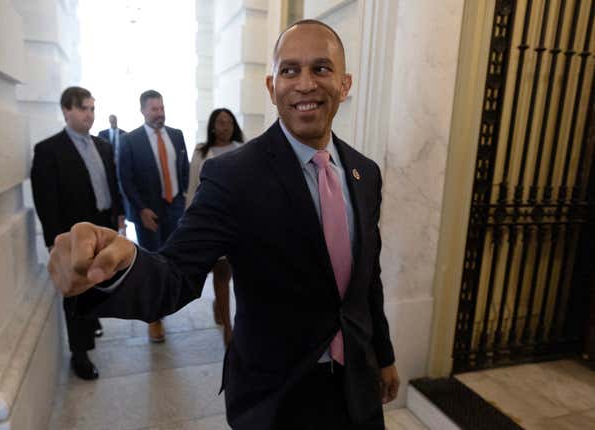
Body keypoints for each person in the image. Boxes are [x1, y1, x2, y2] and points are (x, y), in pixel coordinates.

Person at [49, 20, 400, 429]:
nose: (305, 84)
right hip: (276, 396)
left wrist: (384, 355)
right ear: (272, 87)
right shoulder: (233, 175)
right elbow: (176, 274)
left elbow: (367, 280)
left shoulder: (366, 173)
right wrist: (119, 267)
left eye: (321, 69)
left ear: (345, 84)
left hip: (358, 385)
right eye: (289, 70)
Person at [30, 86, 125, 380]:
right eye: (84, 108)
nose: (90, 114)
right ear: (66, 110)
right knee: (74, 291)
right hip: (72, 234)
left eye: (93, 109)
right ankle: (80, 354)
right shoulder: (48, 150)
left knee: (98, 279)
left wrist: (119, 215)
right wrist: (53, 241)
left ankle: (93, 319)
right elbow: (45, 200)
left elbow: (112, 183)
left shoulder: (103, 146)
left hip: (103, 225)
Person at [117, 90, 189, 343]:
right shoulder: (130, 141)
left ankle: (167, 301)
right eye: (154, 109)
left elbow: (184, 171)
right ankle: (154, 319)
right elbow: (125, 179)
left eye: (161, 108)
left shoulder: (177, 136)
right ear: (143, 111)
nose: (160, 113)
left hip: (174, 209)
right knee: (150, 265)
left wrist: (181, 200)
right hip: (147, 213)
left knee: (171, 261)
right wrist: (140, 210)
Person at [186, 108, 244, 346]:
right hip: (211, 220)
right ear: (212, 125)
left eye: (229, 122)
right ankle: (228, 330)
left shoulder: (242, 148)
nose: (225, 126)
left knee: (231, 274)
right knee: (219, 273)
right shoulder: (202, 150)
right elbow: (193, 187)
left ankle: (224, 309)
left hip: (238, 220)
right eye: (220, 122)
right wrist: (190, 219)